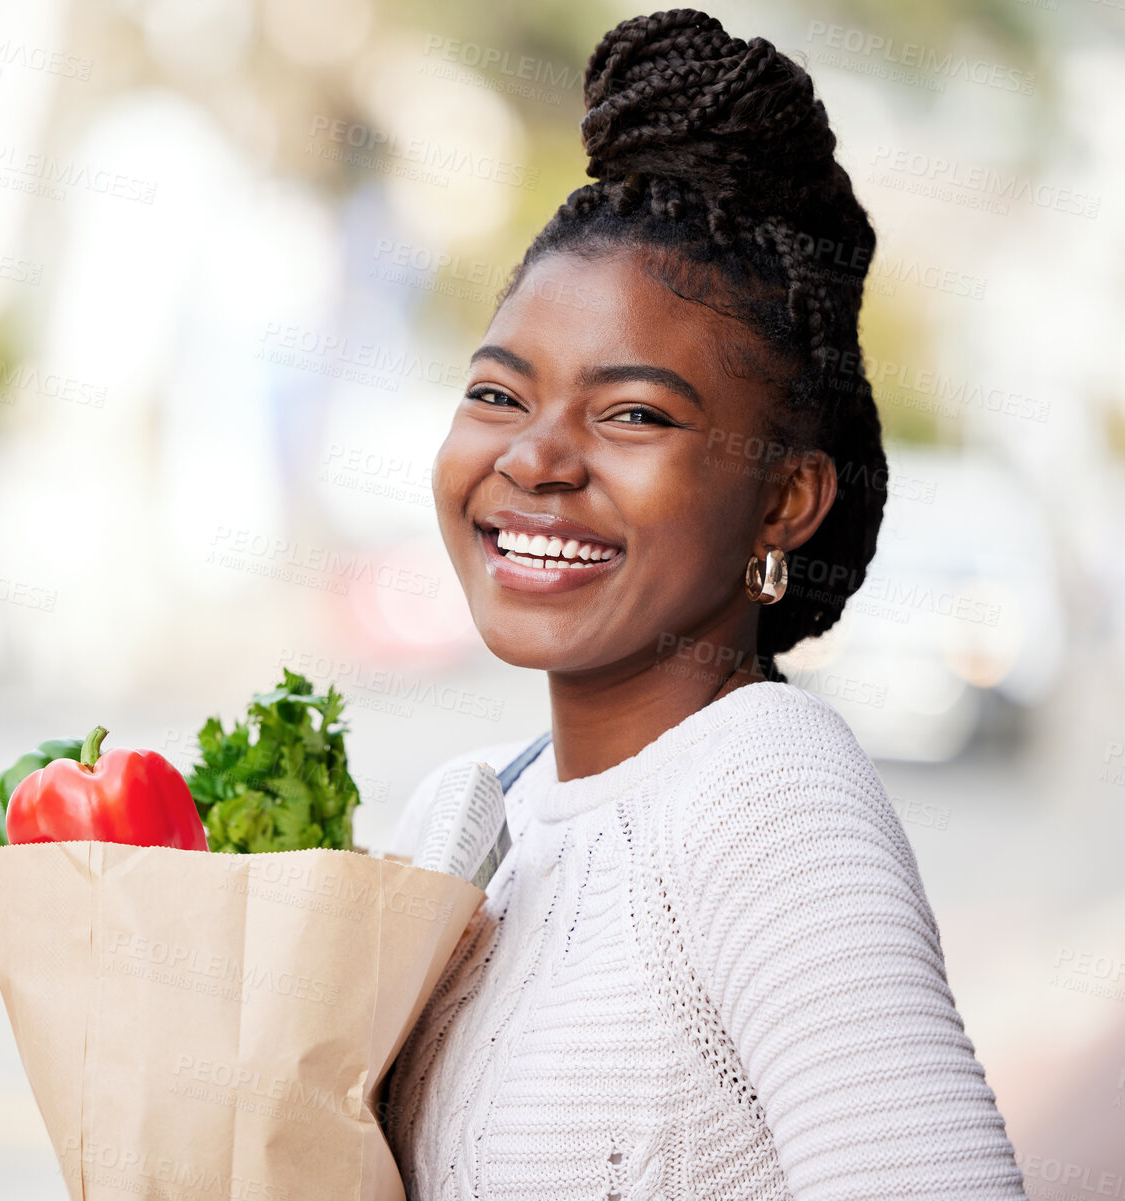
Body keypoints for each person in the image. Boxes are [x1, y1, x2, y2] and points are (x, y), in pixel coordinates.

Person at [380, 10, 1028, 1200]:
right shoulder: (461, 813)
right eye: (495, 392)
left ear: (784, 498)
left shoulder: (761, 792)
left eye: (632, 414)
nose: (535, 457)